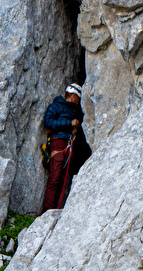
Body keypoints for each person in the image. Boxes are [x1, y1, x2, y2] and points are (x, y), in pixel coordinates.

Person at [41, 83, 91, 211]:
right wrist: (69, 123)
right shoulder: (56, 106)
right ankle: (48, 211)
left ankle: (56, 209)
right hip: (58, 144)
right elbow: (48, 122)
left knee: (63, 179)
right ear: (72, 96)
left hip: (69, 145)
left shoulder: (74, 111)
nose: (78, 101)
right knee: (55, 177)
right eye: (77, 98)